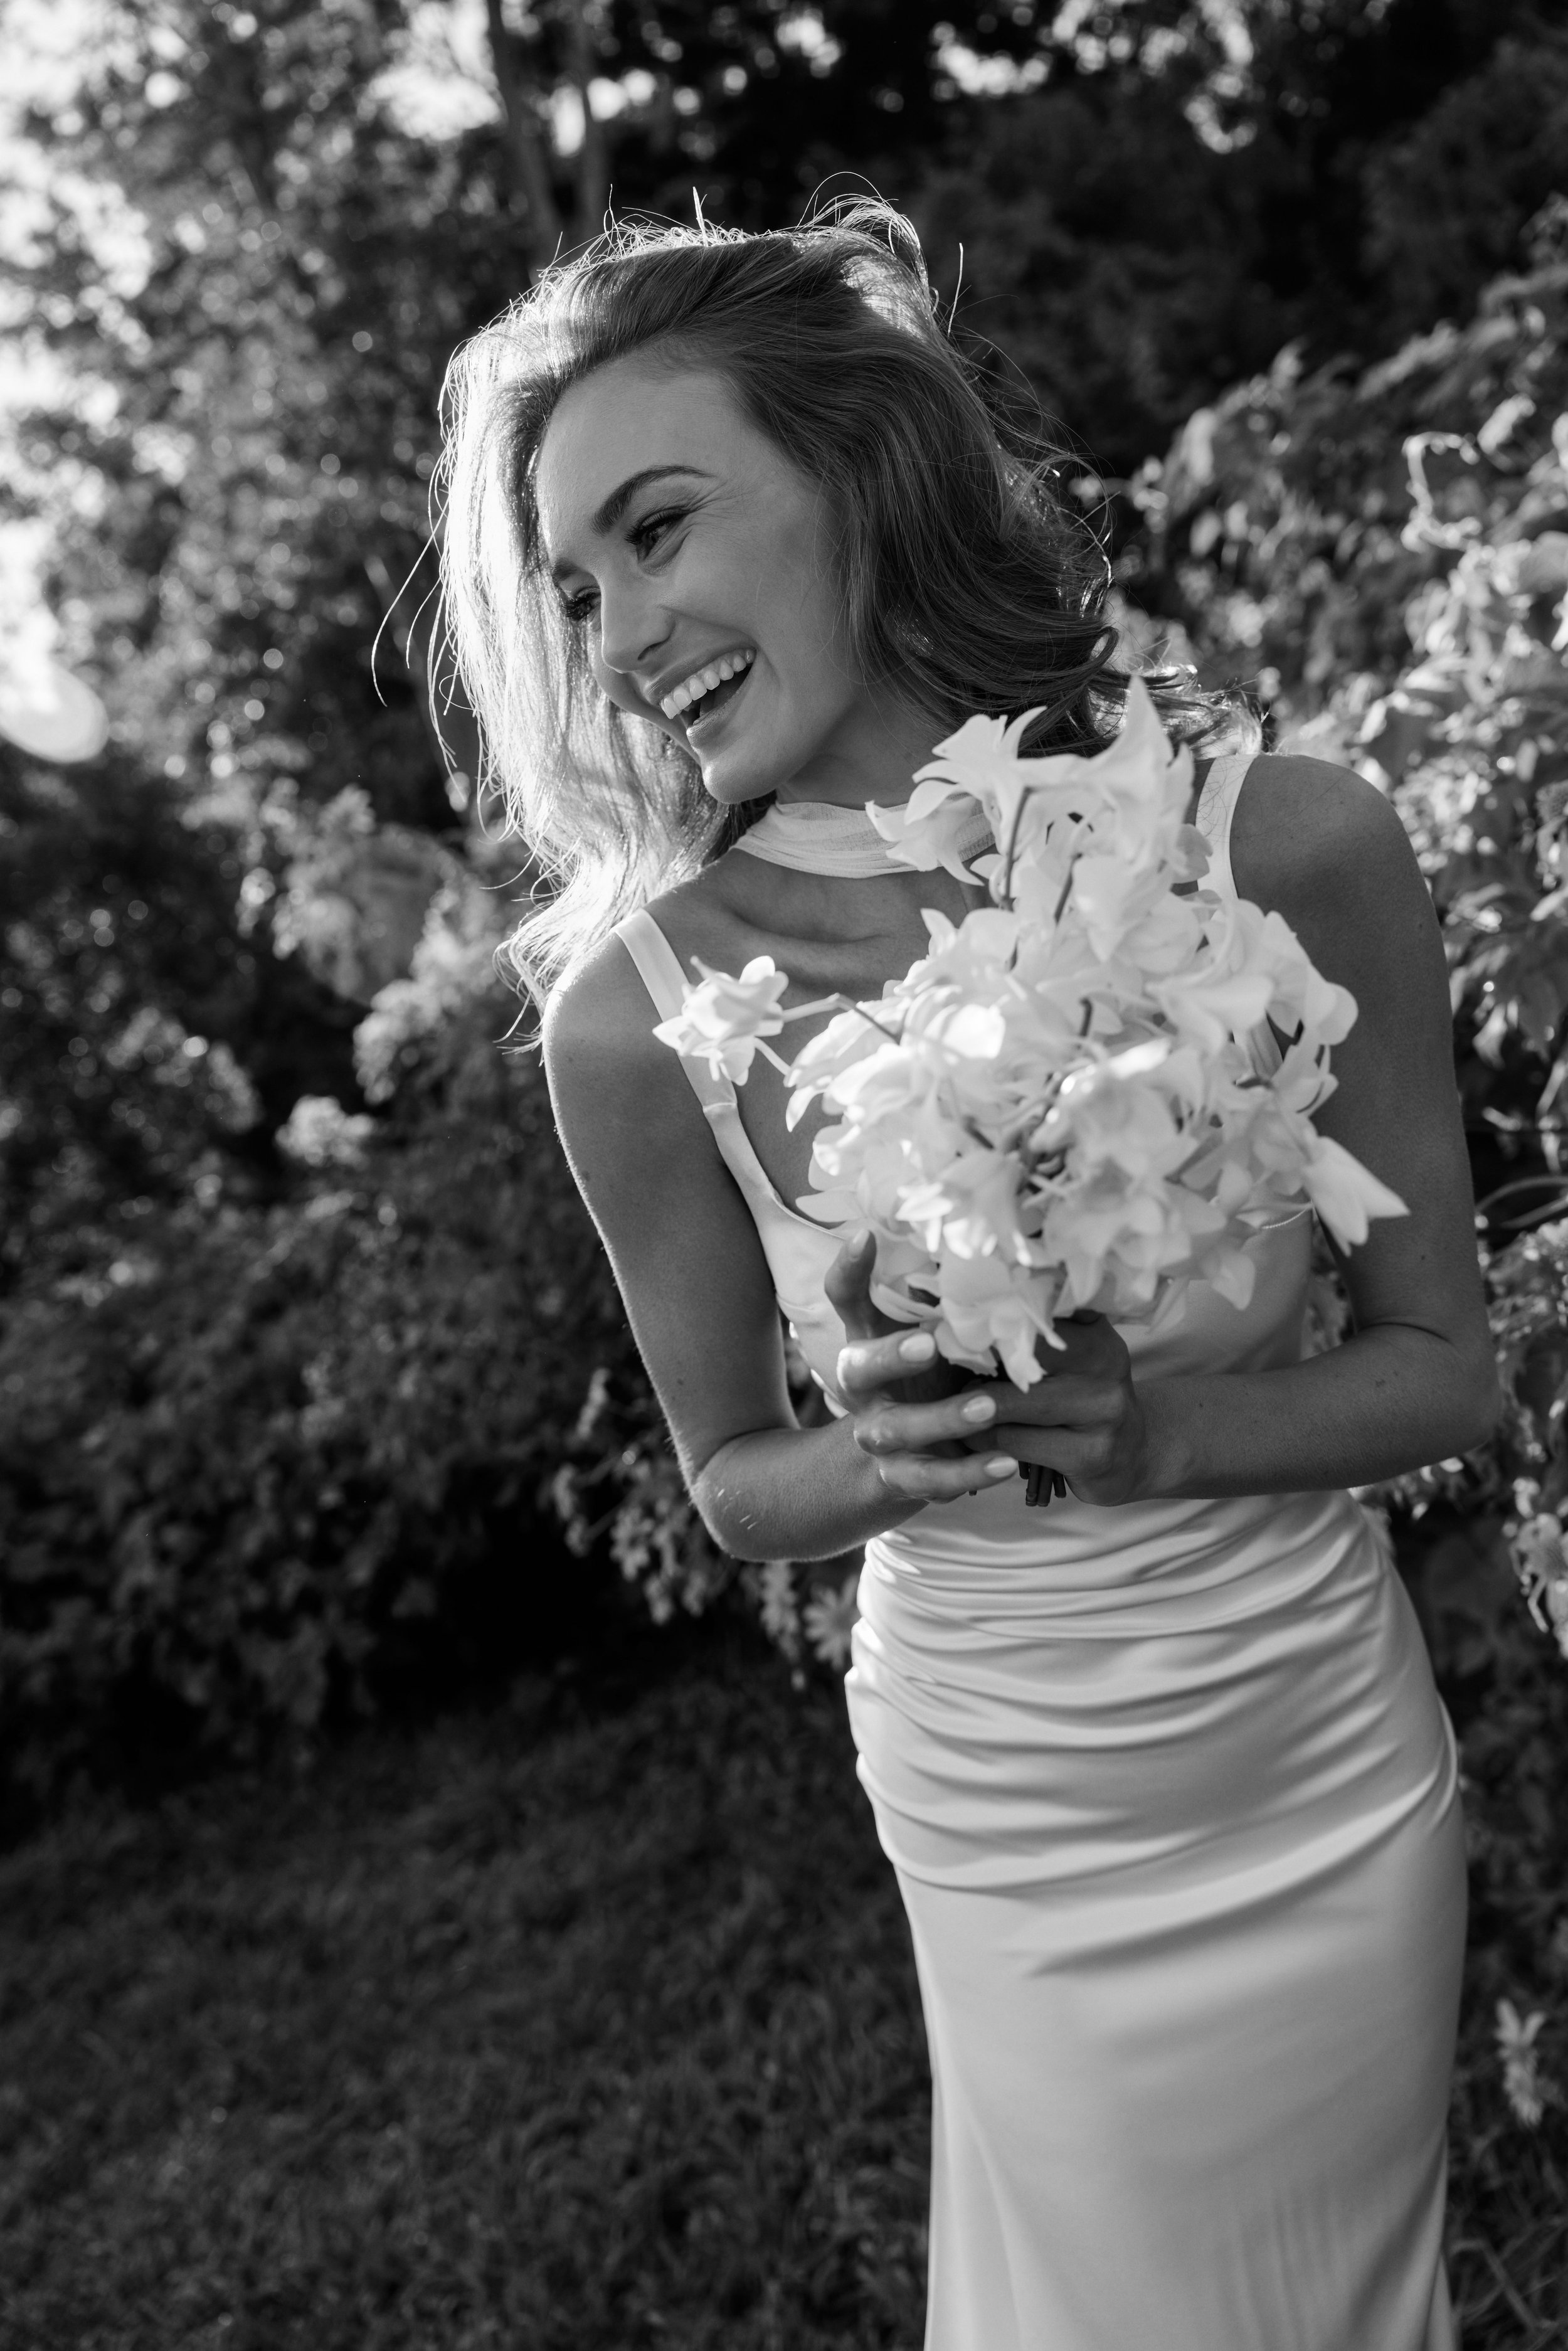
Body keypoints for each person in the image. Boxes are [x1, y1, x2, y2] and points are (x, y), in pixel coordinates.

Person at [437, 204, 1498, 2351]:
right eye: (572, 588)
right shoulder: (635, 1022)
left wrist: (1164, 1426)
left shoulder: (1282, 842)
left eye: (659, 530)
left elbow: (1444, 1372)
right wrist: (889, 1447)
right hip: (1009, 1795)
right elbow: (737, 1476)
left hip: (1307, 1749)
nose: (617, 631)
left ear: (858, 475)